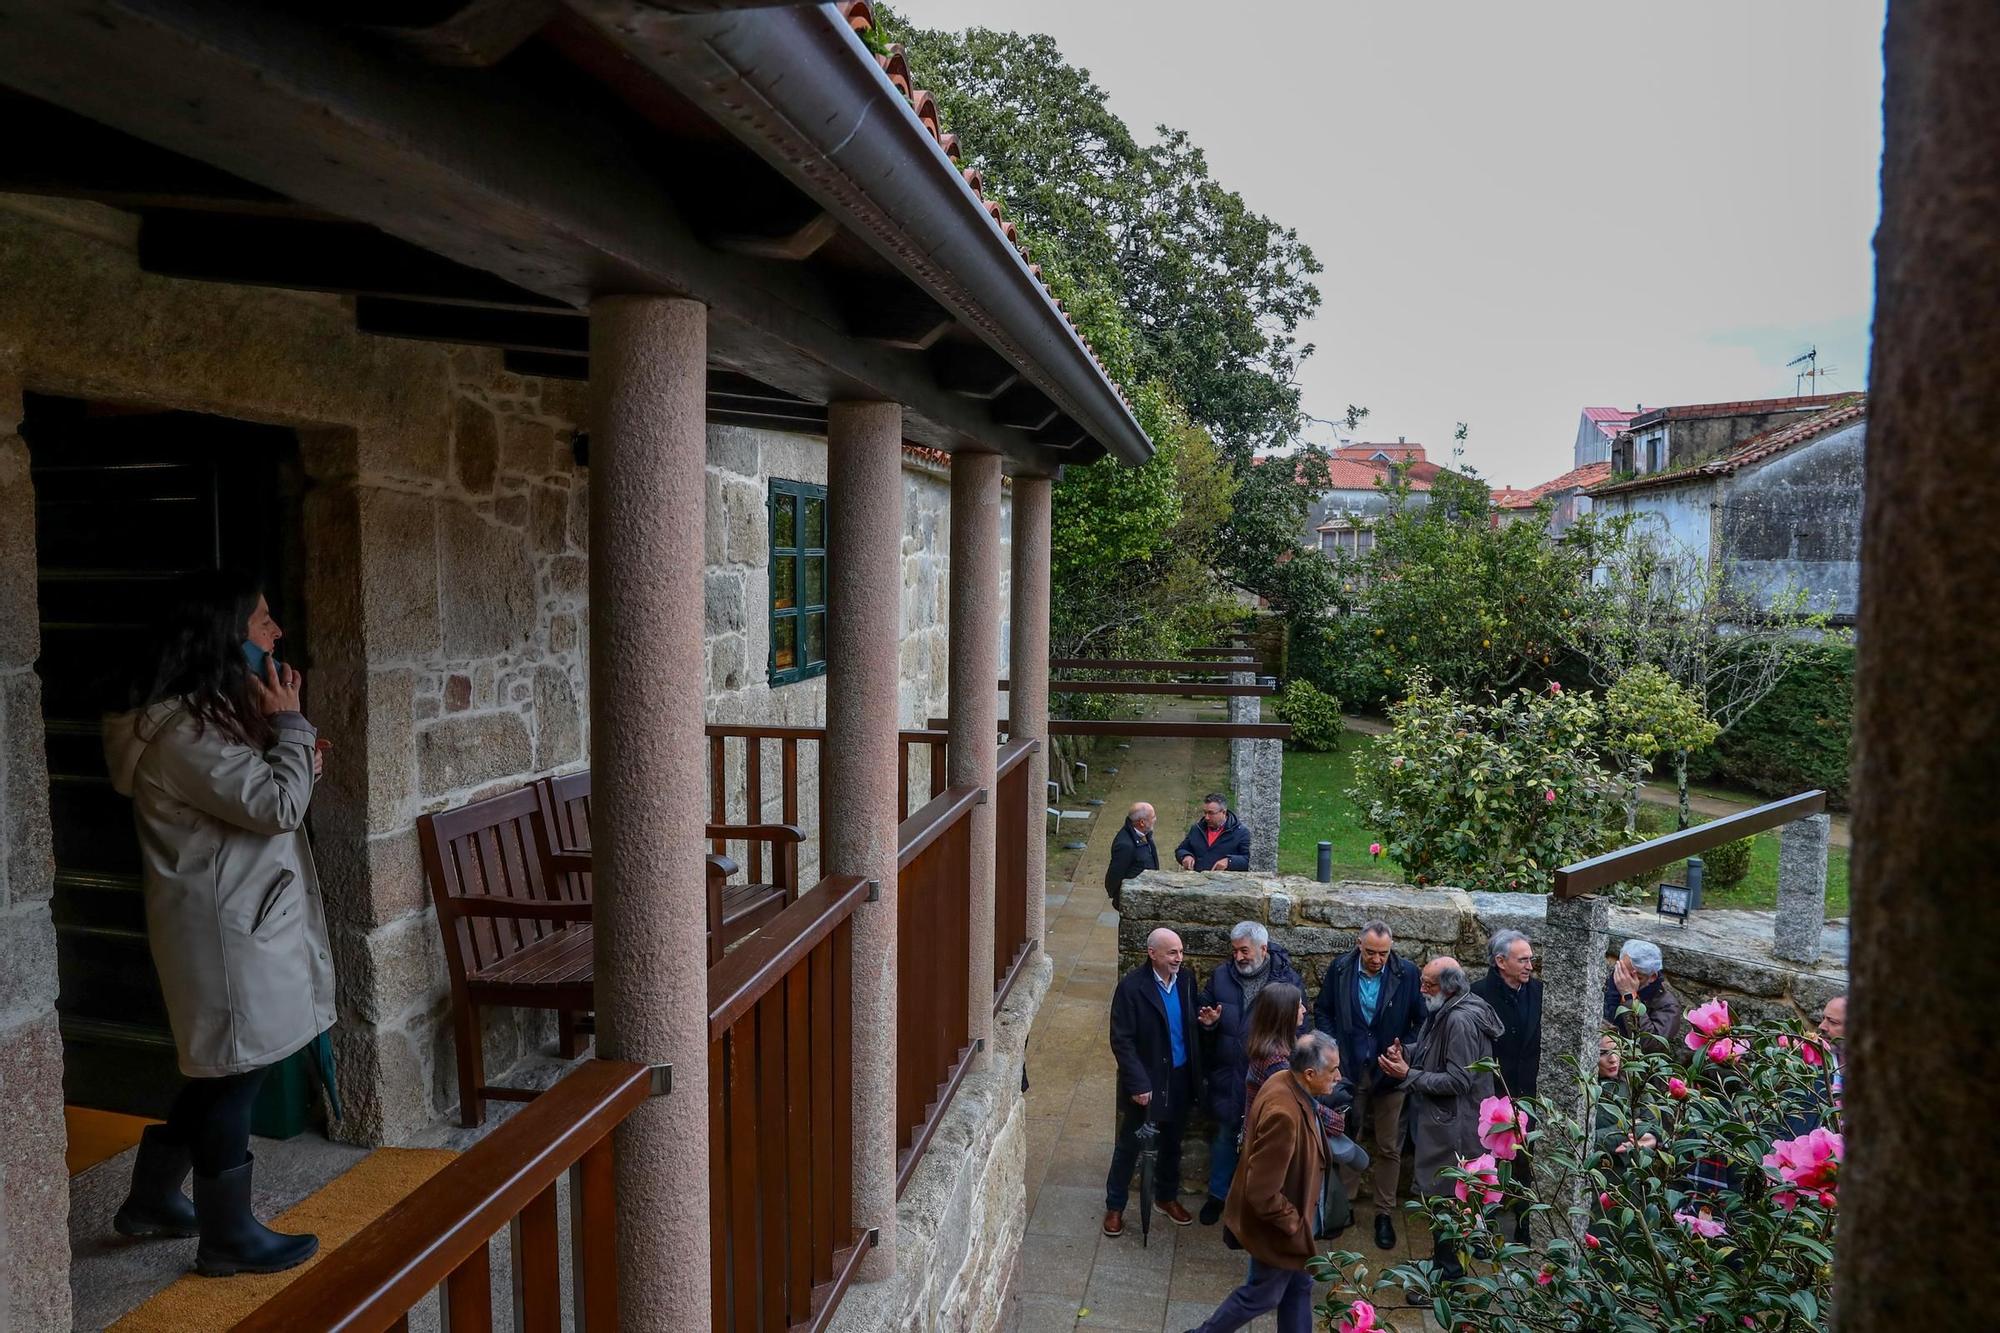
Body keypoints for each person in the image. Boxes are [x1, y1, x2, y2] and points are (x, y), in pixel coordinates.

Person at [102, 571, 334, 1277]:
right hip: (229, 932)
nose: (277, 633)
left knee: (222, 1069)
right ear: (225, 635)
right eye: (264, 620)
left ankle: (150, 1198)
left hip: (237, 917)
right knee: (235, 1075)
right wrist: (293, 728)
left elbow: (263, 800)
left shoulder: (206, 718)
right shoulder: (183, 734)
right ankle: (228, 1236)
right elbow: (273, 808)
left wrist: (297, 756)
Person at [1187, 1033, 1344, 1333]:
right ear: (1309, 1074)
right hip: (1280, 1230)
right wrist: (1295, 1226)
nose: (1339, 1076)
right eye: (1333, 1070)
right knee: (1262, 1294)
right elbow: (1262, 1191)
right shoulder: (1283, 1114)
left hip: (1293, 1227)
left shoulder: (1286, 1080)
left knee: (1299, 1286)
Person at [1377, 957, 1503, 1294]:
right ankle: (1444, 1267)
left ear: (1447, 987)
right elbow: (1438, 1052)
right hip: (1448, 1128)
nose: (1421, 989)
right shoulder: (1452, 1008)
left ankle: (1450, 1281)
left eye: (1428, 984)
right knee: (1445, 1206)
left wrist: (1408, 1075)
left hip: (1455, 1135)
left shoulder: (1460, 1020)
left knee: (1449, 1206)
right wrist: (1407, 1050)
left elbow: (1459, 1081)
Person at [1314, 919, 1425, 1250]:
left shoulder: (1406, 973)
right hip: (1349, 1068)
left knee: (1389, 1146)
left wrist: (1403, 1049)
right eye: (1372, 952)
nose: (1377, 960)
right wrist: (1333, 1048)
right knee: (1348, 1137)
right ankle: (1343, 1204)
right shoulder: (1341, 969)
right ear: (1359, 945)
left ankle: (1384, 1213)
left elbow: (1421, 1021)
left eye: (1383, 953)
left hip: (1389, 1072)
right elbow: (1324, 1011)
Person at [1196, 923, 1304, 1224]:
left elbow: (1300, 1028)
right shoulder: (1221, 976)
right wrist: (1209, 1022)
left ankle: (1254, 1202)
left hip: (1268, 1078)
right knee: (1224, 1137)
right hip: (1229, 1075)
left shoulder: (1286, 981)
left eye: (1244, 950)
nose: (1239, 957)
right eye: (1235, 951)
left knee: (1264, 1145)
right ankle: (1218, 1195)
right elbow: (1204, 1010)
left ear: (1263, 949)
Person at [1105, 927, 1204, 1236]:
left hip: (1179, 1079)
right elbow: (1122, 1040)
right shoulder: (1132, 988)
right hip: (1148, 1082)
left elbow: (1189, 1026)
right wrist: (1138, 1084)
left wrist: (1208, 1023)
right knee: (1129, 1146)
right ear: (1153, 954)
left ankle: (1165, 1197)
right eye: (1173, 952)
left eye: (1181, 952)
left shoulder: (1187, 981)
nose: (1179, 958)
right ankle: (1115, 1206)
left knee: (1172, 1143)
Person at [1471, 928, 1543, 1242]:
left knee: (1526, 1162)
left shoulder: (1540, 991)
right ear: (1501, 961)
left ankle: (1524, 1224)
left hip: (1528, 1093)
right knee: (1486, 1161)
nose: (1530, 965)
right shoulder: (1478, 995)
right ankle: (1481, 1227)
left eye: (1531, 959)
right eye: (1523, 960)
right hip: (1492, 1095)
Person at [1602, 938, 1685, 1050]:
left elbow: (1650, 1044)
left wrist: (1629, 997)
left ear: (1652, 977)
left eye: (1637, 977)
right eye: (1624, 972)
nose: (1625, 979)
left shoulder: (1667, 1005)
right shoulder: (1602, 981)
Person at [1103, 801, 1159, 911]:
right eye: (1153, 817)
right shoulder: (1125, 845)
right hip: (1135, 900)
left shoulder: (1144, 833)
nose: (1155, 819)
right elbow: (1115, 874)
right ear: (1142, 822)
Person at [1175, 792, 1250, 871]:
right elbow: (1181, 849)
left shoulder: (1241, 833)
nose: (1206, 817)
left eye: (1211, 813)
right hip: (1197, 880)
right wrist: (1185, 856)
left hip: (1225, 881)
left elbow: (1248, 860)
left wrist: (1229, 861)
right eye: (1205, 812)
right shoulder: (1197, 829)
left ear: (1223, 812)